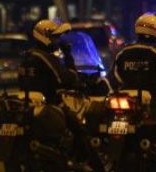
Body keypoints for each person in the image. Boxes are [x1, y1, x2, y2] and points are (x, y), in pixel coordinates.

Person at [18, 19, 104, 172]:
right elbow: (64, 78)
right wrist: (69, 58)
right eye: (55, 37)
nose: (57, 41)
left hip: (27, 103)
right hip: (49, 103)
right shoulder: (45, 57)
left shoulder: (27, 56)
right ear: (45, 37)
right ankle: (85, 162)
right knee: (78, 128)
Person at [111, 12, 156, 91]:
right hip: (152, 95)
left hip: (125, 94)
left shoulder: (123, 52)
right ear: (155, 30)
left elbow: (115, 77)